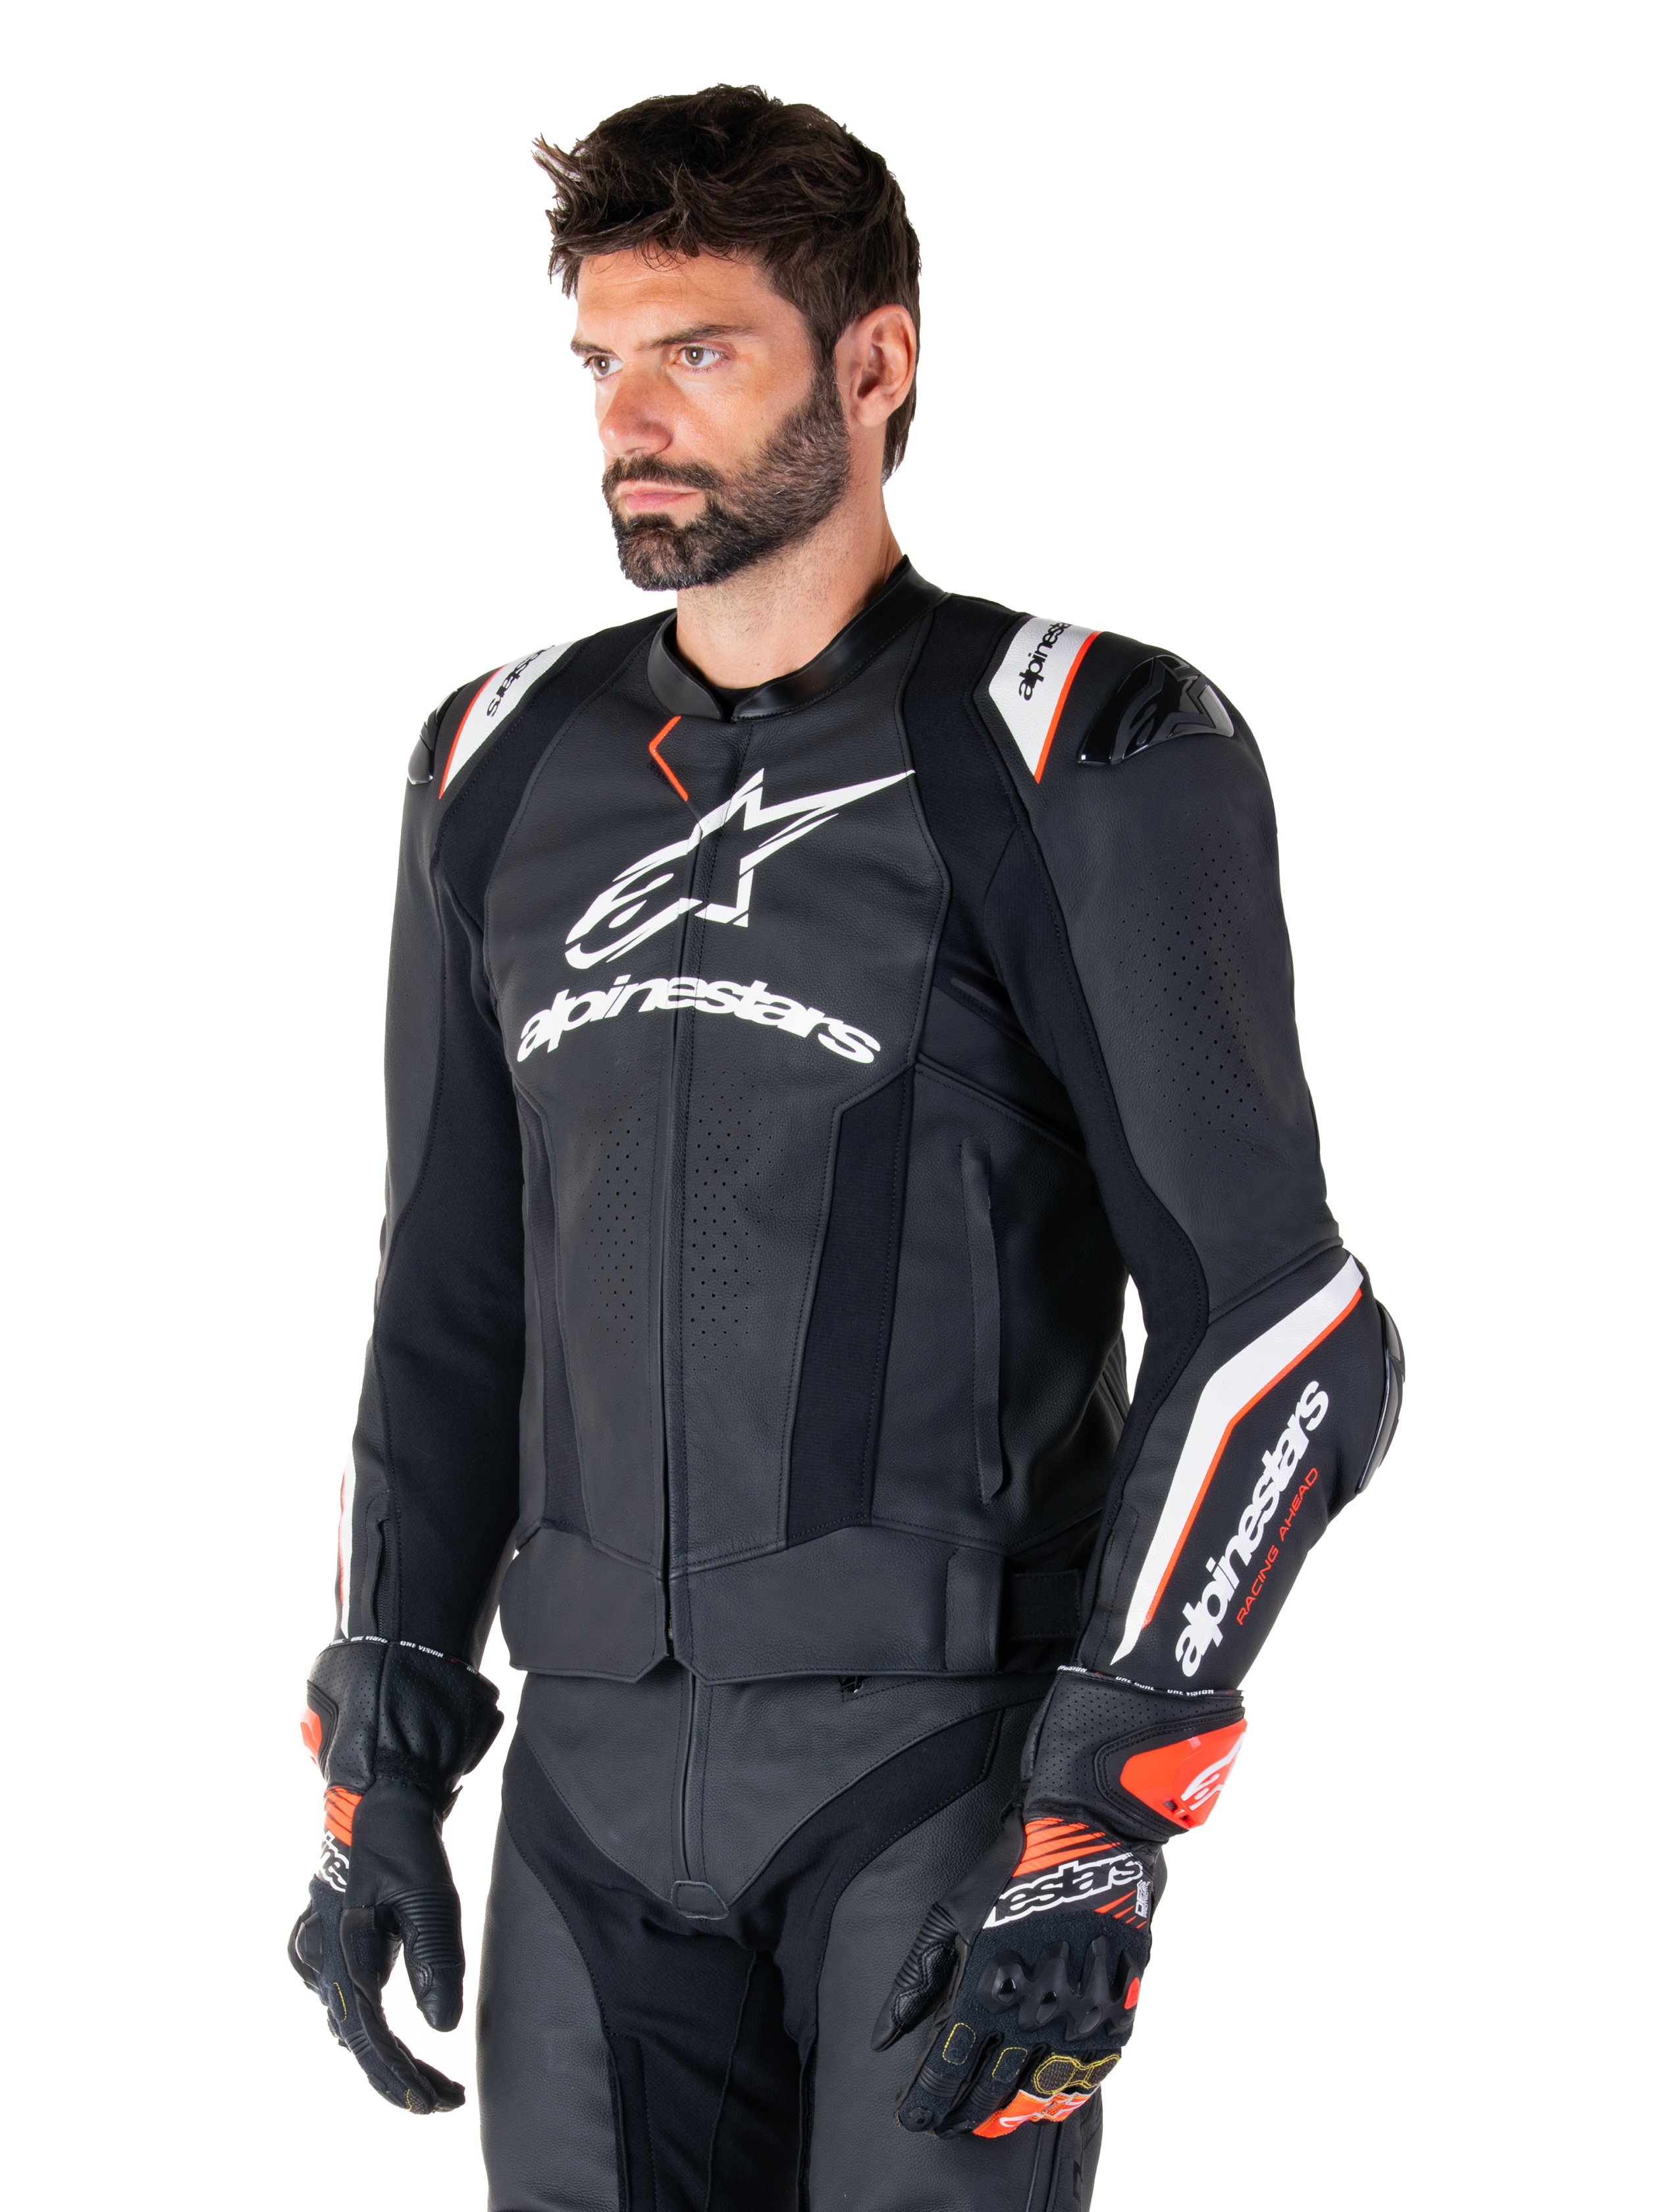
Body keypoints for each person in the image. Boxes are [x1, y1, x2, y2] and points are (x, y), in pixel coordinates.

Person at [286, 84, 1404, 2211]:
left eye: (699, 351)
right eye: (603, 361)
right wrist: (376, 1773)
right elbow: (444, 1308)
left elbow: (1287, 1327)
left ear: (875, 363)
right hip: (586, 1805)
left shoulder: (1079, 738)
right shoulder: (491, 758)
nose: (633, 420)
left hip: (942, 1782)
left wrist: (1107, 1800)